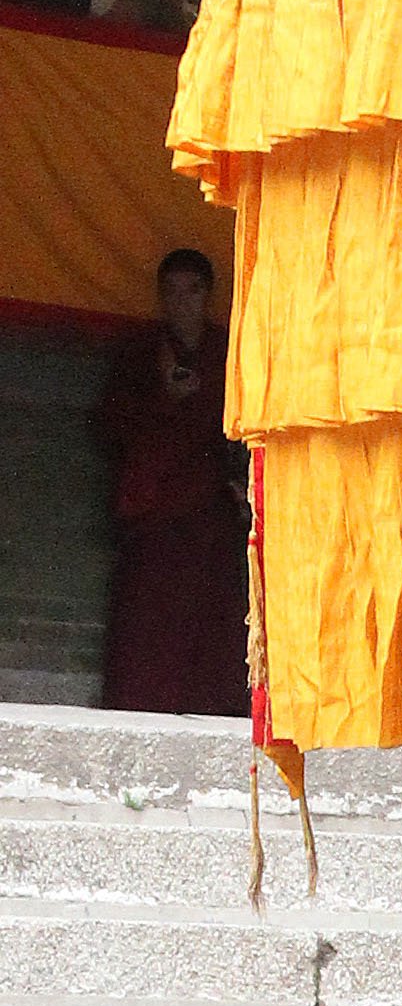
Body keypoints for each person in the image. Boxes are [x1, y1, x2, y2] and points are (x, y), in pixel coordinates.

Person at [98, 247, 249, 717]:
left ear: (208, 296)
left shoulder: (229, 353)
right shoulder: (139, 354)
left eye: (192, 290)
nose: (181, 302)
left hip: (211, 517)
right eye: (172, 291)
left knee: (212, 626)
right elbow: (110, 427)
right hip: (154, 516)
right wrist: (165, 396)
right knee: (146, 626)